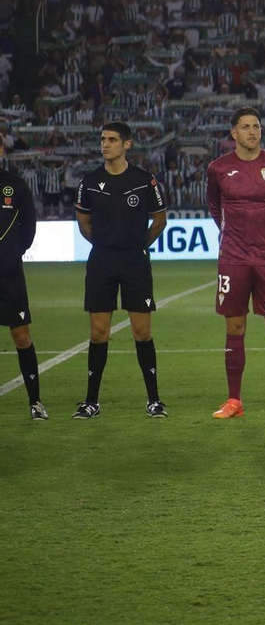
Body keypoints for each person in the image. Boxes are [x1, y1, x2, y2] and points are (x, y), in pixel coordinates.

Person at [206, 107, 265, 419]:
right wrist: (234, 237)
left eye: (256, 126)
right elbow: (214, 206)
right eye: (245, 127)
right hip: (232, 258)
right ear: (233, 133)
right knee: (234, 327)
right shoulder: (218, 169)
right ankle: (234, 400)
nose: (252, 132)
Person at [73, 122, 168, 418]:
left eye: (112, 140)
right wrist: (105, 245)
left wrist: (139, 246)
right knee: (99, 333)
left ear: (127, 145)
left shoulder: (144, 180)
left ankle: (153, 400)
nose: (105, 144)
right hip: (101, 261)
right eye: (103, 139)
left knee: (142, 332)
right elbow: (84, 224)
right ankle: (91, 402)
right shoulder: (89, 181)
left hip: (135, 262)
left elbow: (159, 220)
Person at [0, 153, 43, 419]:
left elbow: (29, 226)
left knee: (22, 337)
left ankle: (35, 403)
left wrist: (14, 252)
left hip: (9, 275)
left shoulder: (15, 185)